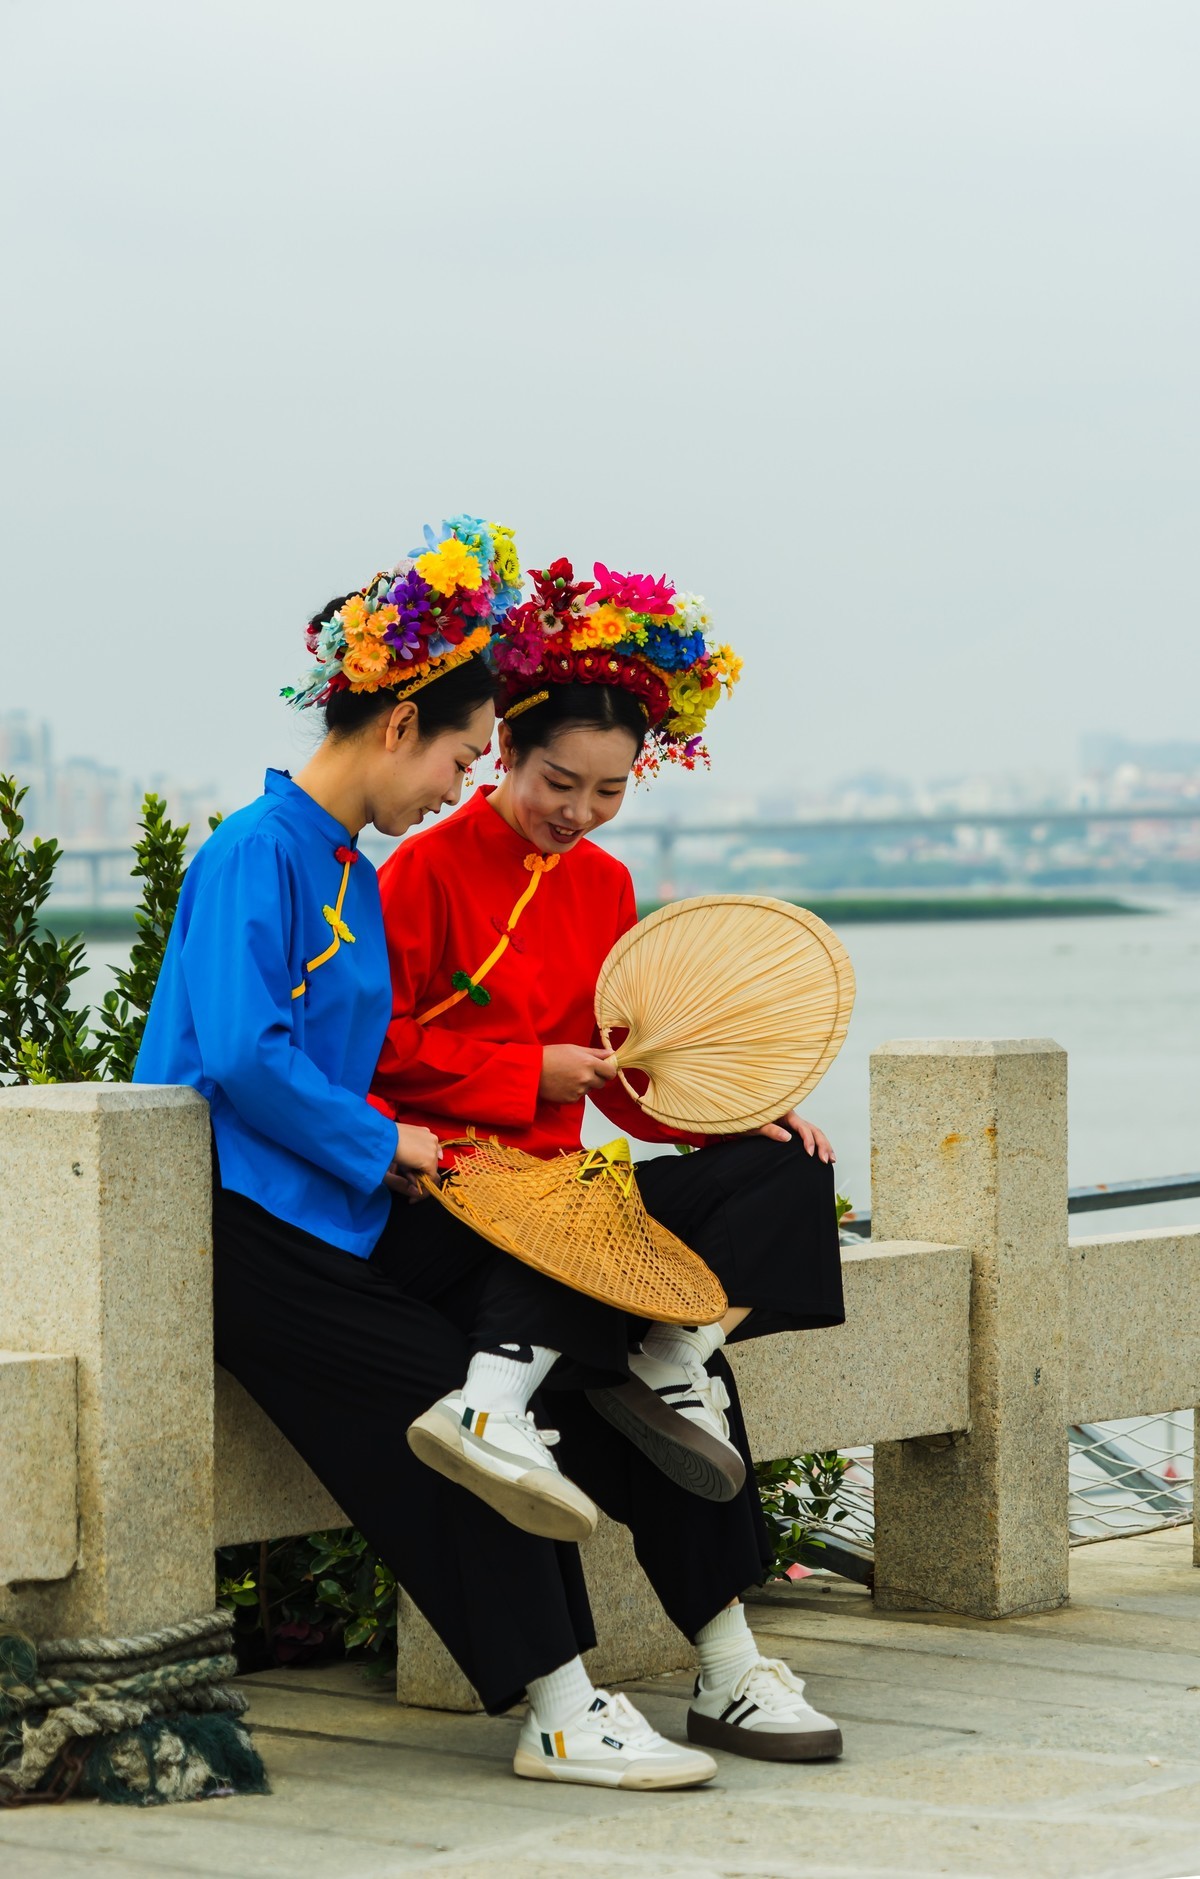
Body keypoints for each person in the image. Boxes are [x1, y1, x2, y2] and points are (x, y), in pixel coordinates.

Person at [135, 519, 724, 1793]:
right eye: (462, 753)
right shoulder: (258, 850)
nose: (460, 785)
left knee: (535, 1292)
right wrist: (387, 1140)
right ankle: (562, 1707)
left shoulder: (338, 861)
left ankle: (685, 1577)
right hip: (233, 1224)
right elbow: (240, 1054)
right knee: (435, 1409)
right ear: (398, 725)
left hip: (329, 1209)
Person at [370, 555, 846, 1771]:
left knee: (781, 1175)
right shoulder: (418, 869)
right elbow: (367, 1053)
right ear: (504, 756)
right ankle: (728, 1657)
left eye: (607, 790)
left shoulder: (608, 884)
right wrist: (526, 1074)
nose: (576, 812)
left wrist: (732, 1126)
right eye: (555, 782)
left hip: (569, 1201)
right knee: (600, 1258)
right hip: (456, 1191)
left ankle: (678, 1358)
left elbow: (624, 1072)